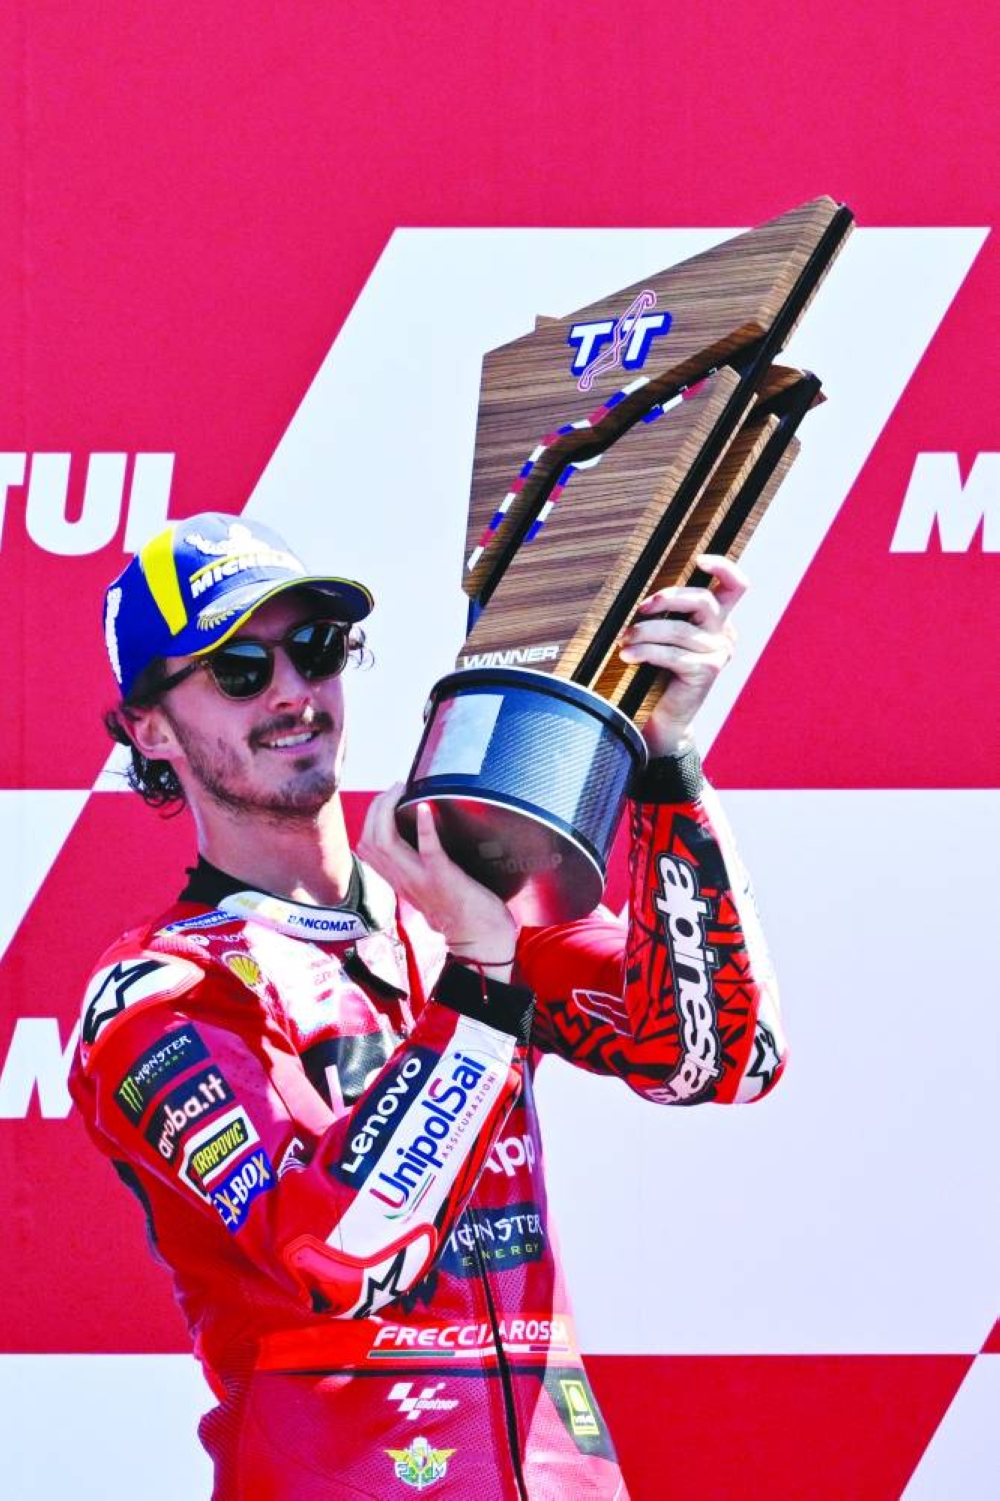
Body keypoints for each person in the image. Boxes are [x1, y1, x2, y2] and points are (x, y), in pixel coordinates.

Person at [71, 511, 785, 1500]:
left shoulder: (459, 903)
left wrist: (663, 761)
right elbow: (342, 1258)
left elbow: (720, 1055)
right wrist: (479, 983)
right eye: (239, 669)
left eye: (316, 648)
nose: (293, 690)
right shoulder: (164, 992)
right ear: (151, 728)